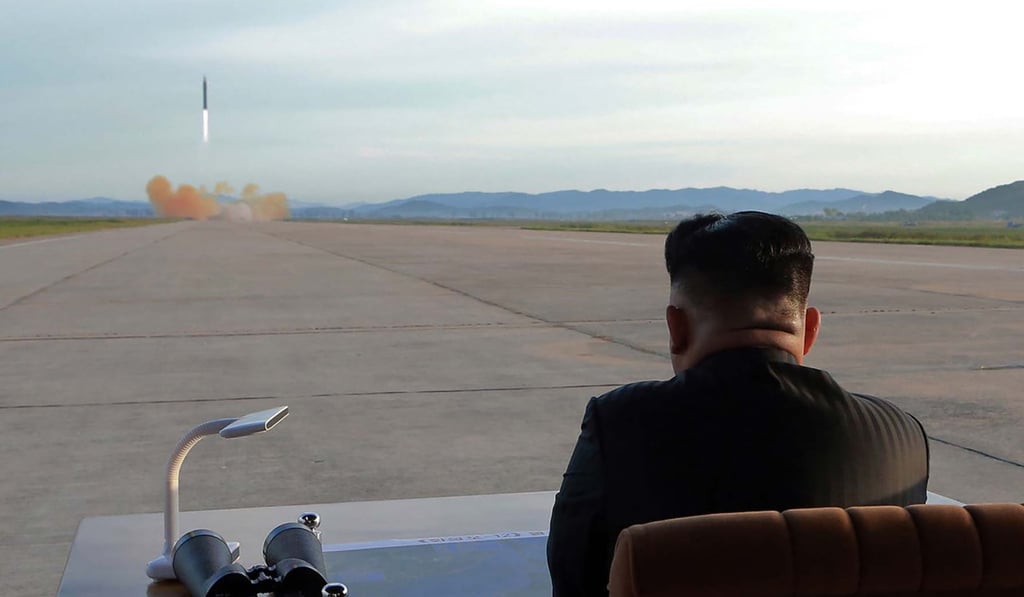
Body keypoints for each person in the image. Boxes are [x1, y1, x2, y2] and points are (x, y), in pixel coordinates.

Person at [547, 211, 930, 597]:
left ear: (676, 328)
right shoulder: (902, 437)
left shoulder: (620, 422)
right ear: (810, 330)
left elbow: (572, 577)